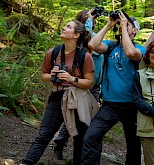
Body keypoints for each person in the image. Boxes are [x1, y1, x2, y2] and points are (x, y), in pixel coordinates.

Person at [21, 20, 97, 165]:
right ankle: (26, 163)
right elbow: (43, 76)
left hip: (76, 99)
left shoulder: (84, 56)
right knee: (44, 135)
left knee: (80, 138)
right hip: (56, 97)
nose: (63, 27)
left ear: (76, 35)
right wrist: (52, 75)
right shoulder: (53, 52)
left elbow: (89, 83)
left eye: (68, 27)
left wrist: (71, 78)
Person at [81, 11, 145, 165]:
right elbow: (92, 45)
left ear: (135, 30)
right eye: (122, 23)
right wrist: (109, 24)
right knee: (91, 137)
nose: (123, 25)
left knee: (133, 144)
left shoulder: (141, 49)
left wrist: (123, 27)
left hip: (132, 105)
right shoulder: (111, 46)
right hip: (110, 105)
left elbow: (130, 53)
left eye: (128, 25)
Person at [53, 9, 104, 161]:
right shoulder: (82, 40)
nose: (93, 21)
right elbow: (90, 42)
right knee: (75, 117)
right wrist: (87, 19)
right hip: (81, 84)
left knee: (85, 120)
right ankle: (61, 142)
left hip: (94, 86)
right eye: (90, 19)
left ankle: (79, 153)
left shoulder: (96, 37)